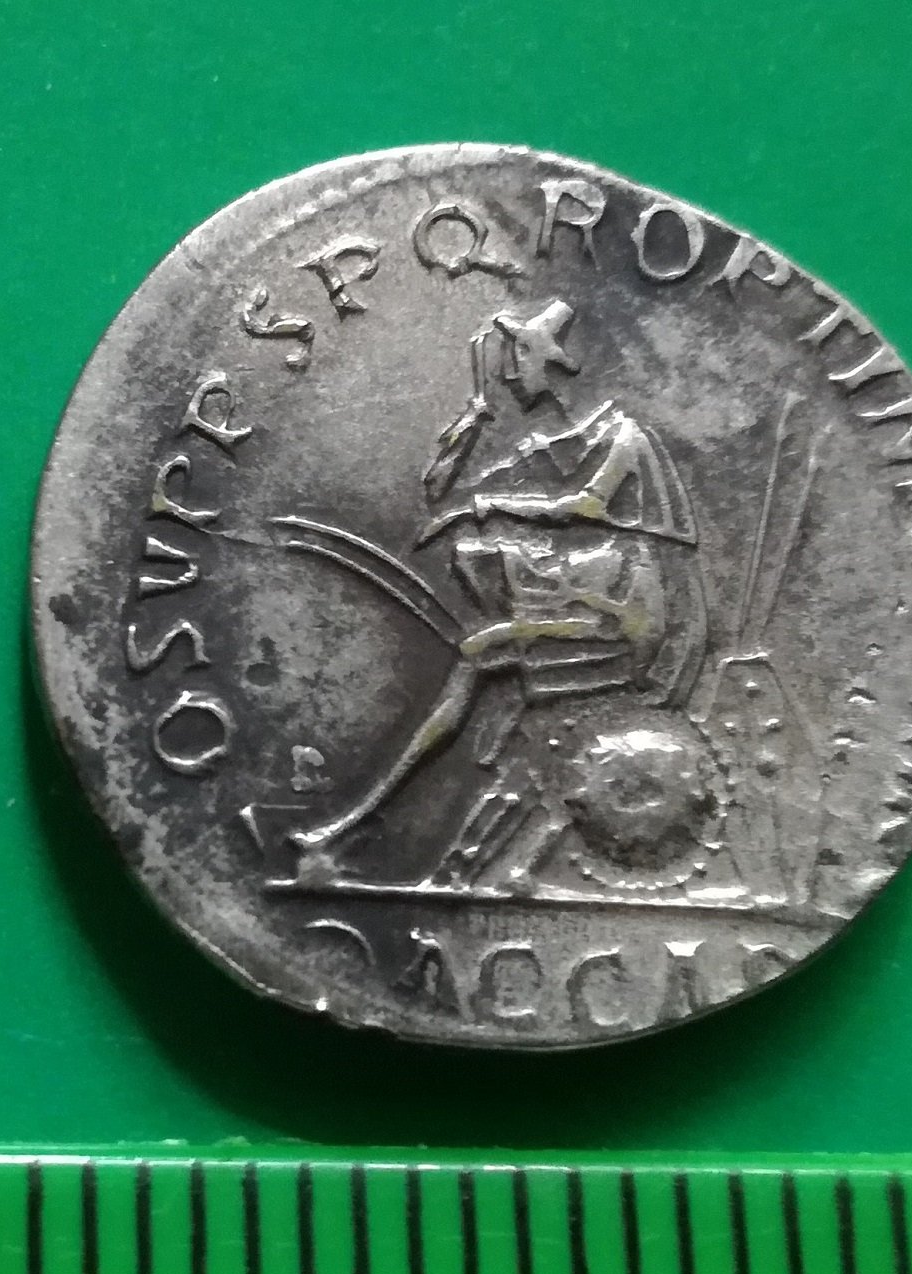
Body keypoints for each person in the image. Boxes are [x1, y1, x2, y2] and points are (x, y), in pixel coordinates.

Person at [290, 299, 707, 878]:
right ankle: (417, 835)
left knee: (480, 657)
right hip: (604, 604)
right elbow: (455, 489)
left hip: (629, 627)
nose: (510, 375)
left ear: (551, 362)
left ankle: (366, 822)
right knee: (484, 651)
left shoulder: (625, 438)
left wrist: (485, 507)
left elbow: (583, 509)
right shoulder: (570, 441)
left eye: (517, 359)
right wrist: (476, 424)